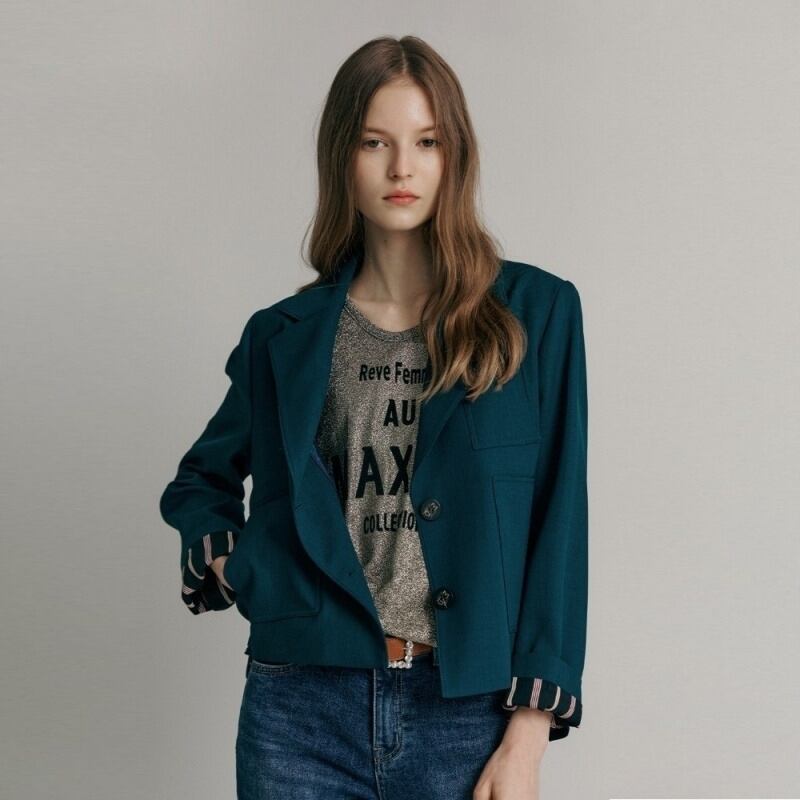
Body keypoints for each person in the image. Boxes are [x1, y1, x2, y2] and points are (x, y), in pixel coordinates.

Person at [160, 34, 588, 800]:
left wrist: (527, 736)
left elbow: (561, 519)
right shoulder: (283, 337)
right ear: (342, 157)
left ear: (454, 156)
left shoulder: (534, 313)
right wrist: (241, 567)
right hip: (299, 711)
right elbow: (202, 481)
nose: (401, 169)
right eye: (374, 142)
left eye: (426, 141)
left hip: (466, 713)